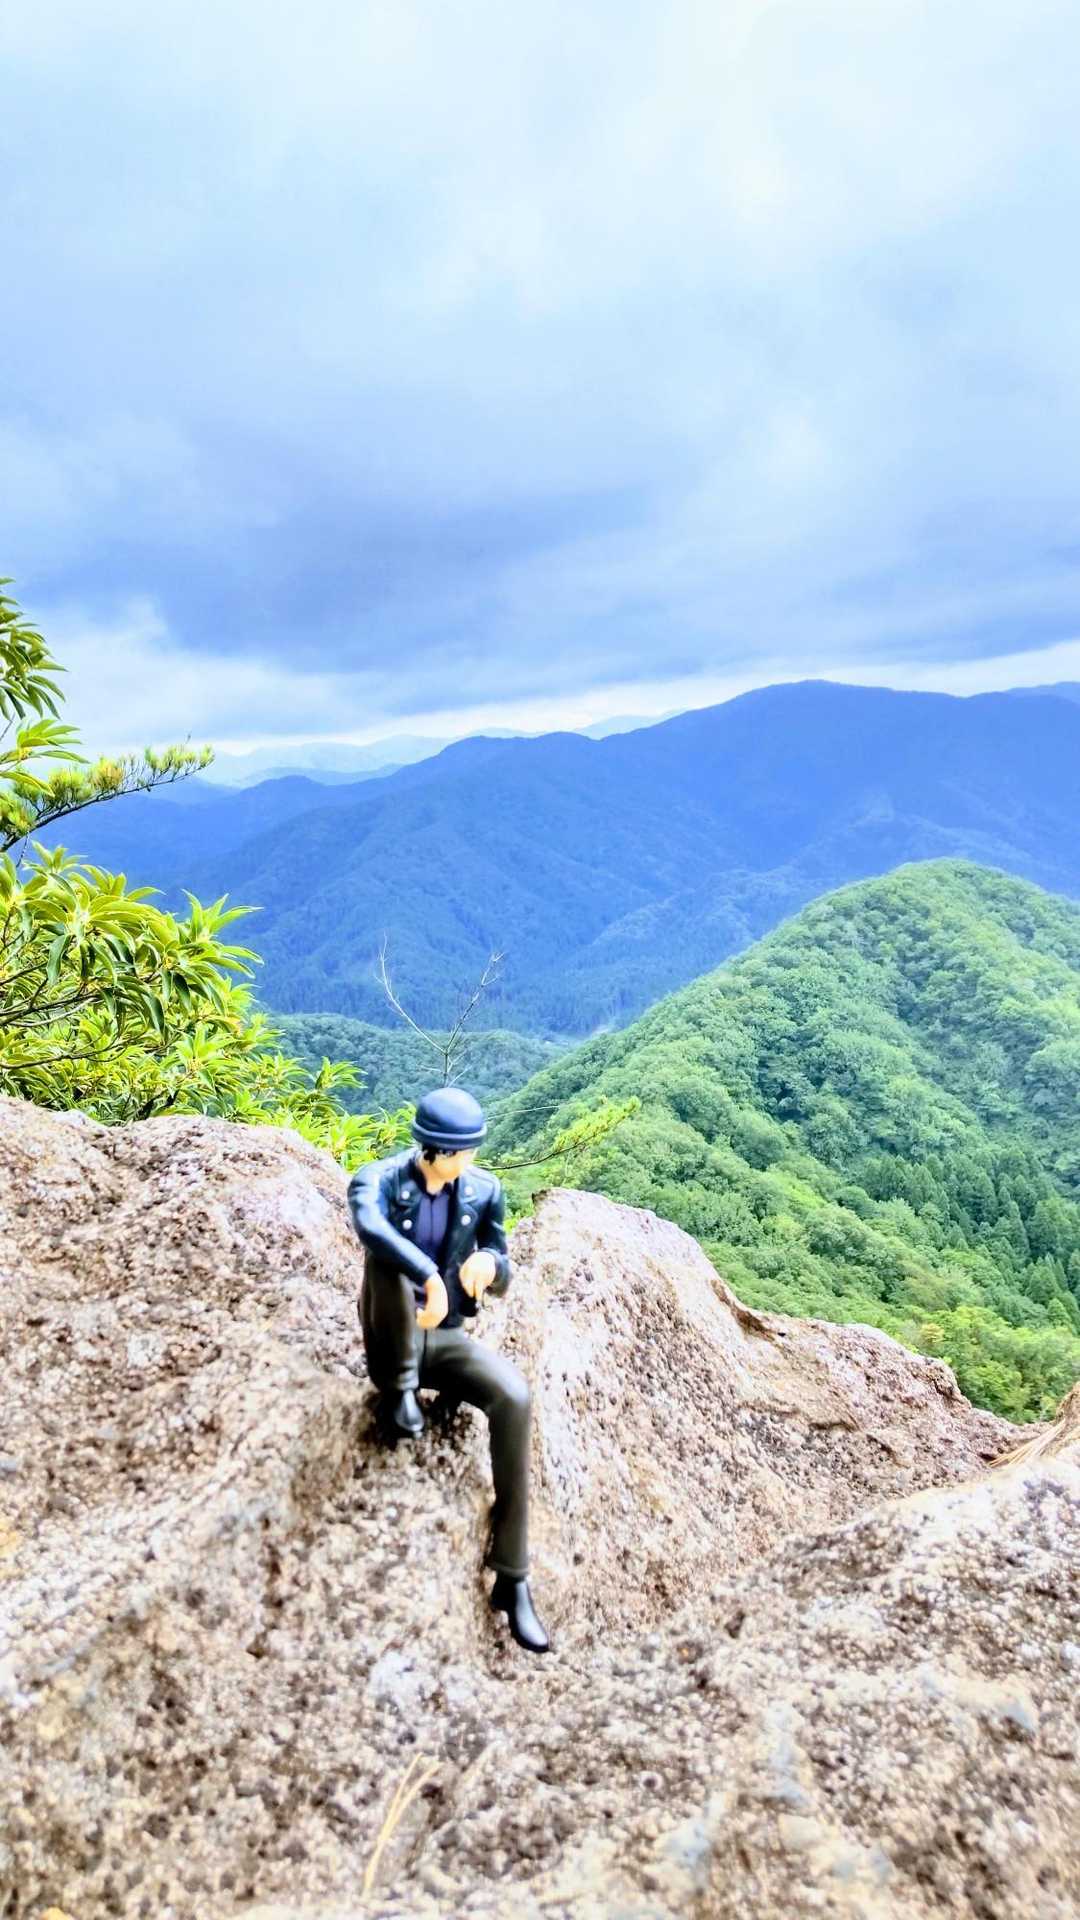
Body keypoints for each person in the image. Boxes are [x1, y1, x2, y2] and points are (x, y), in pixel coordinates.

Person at [346, 1086, 550, 1654]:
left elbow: (503, 1265)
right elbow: (371, 1228)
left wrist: (490, 1264)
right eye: (460, 1152)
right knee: (386, 1260)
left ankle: (512, 1575)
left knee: (514, 1396)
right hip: (396, 1334)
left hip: (448, 1338)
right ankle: (399, 1391)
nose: (468, 1161)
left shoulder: (483, 1191)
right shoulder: (379, 1180)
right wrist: (429, 1276)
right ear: (432, 1149)